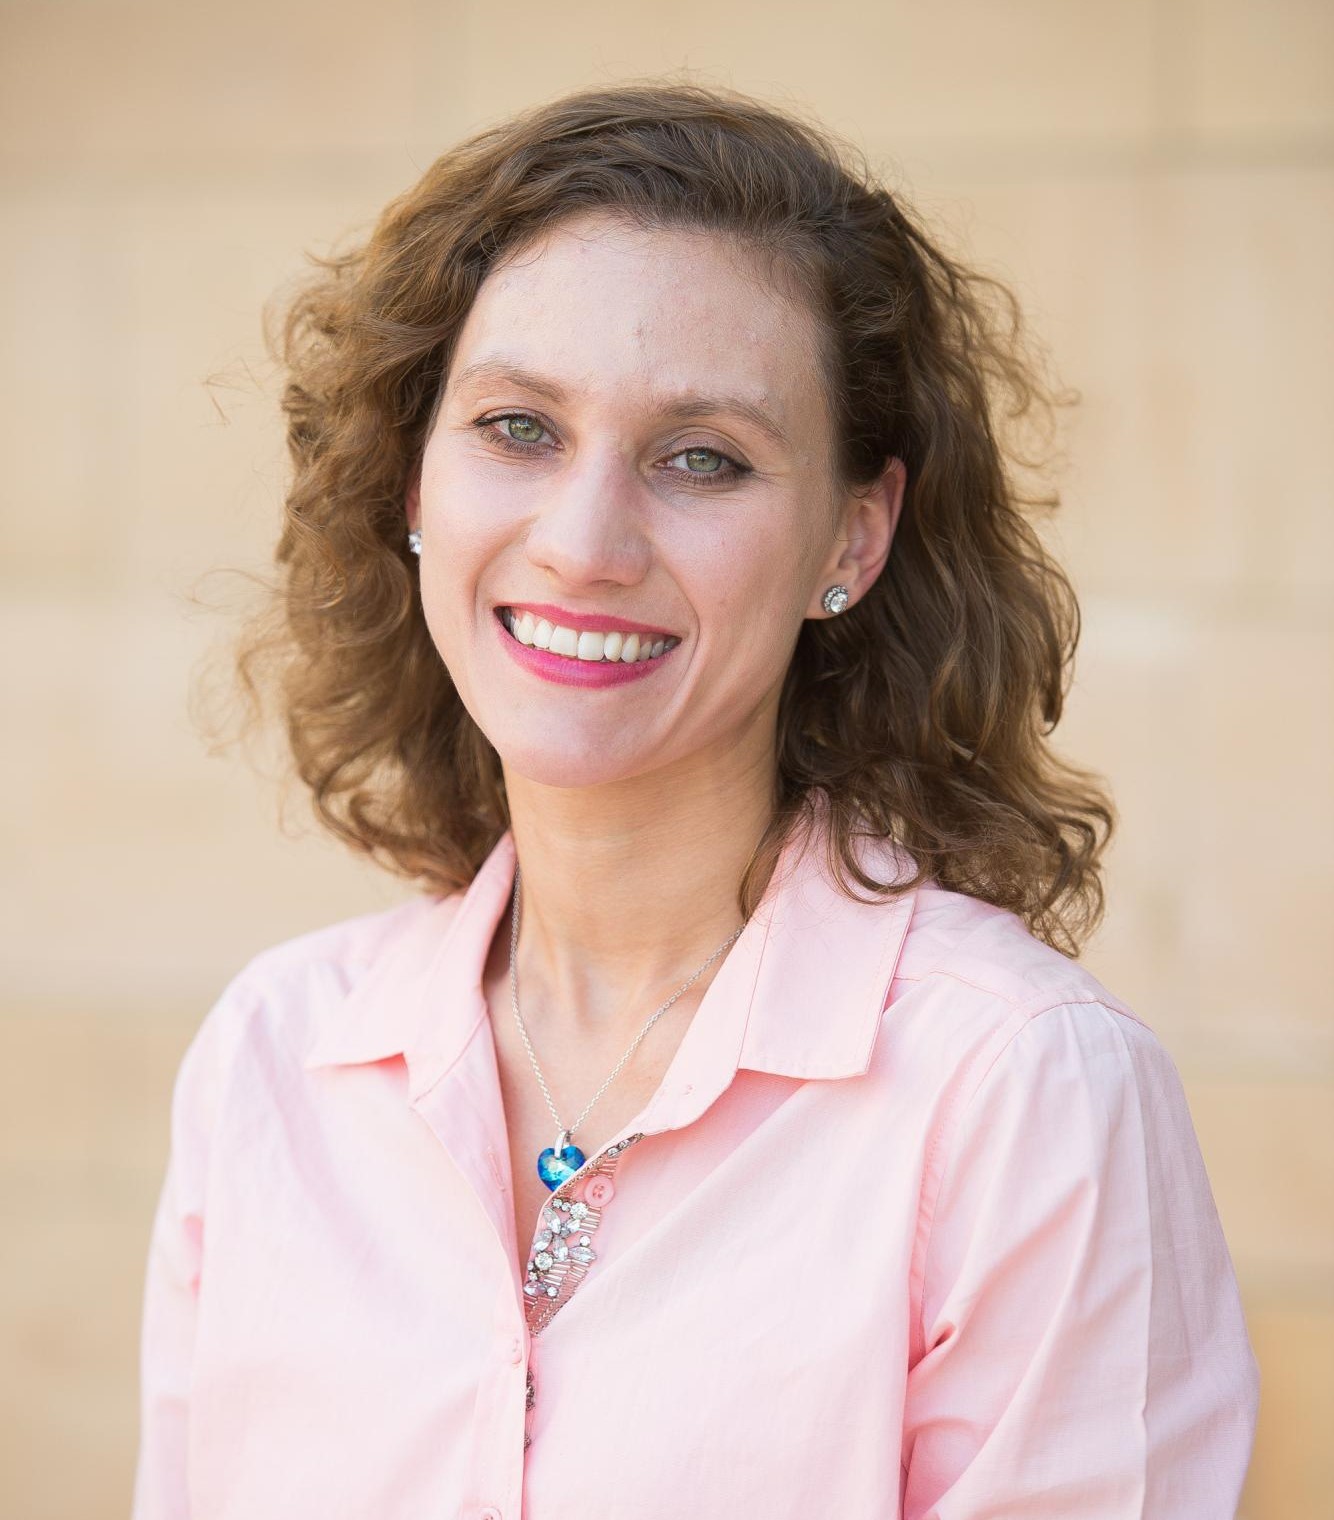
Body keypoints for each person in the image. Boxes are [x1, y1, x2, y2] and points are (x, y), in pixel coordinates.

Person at [132, 80, 1259, 1518]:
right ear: (414, 480)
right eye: (517, 429)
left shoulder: (1018, 1090)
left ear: (850, 538)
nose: (585, 542)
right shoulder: (270, 1063)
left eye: (701, 459)